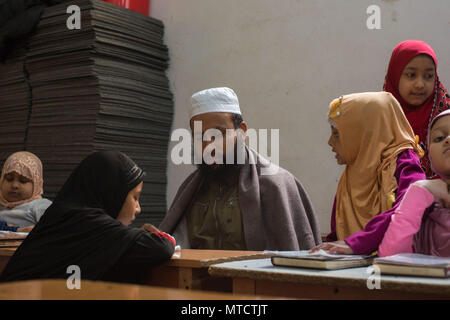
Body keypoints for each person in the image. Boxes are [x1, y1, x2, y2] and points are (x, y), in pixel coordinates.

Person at [160, 87, 321, 250]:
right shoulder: (191, 190)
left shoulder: (276, 183)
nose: (209, 146)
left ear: (242, 131)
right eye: (200, 136)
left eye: (219, 134)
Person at [0, 151, 175, 284]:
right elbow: (161, 248)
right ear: (112, 194)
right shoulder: (88, 223)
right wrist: (162, 237)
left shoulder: (65, 214)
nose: (138, 209)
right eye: (135, 198)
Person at [310, 92, 425, 255]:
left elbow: (409, 208)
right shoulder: (351, 174)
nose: (330, 142)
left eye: (337, 134)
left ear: (365, 132)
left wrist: (357, 243)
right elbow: (338, 236)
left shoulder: (404, 161)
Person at [379, 109, 450, 257]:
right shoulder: (429, 201)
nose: (447, 140)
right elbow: (391, 255)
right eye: (439, 138)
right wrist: (419, 191)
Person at [383, 40, 450, 178]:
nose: (420, 84)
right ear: (395, 76)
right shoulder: (381, 119)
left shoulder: (445, 115)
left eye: (429, 76)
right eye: (411, 75)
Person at [0, 151, 51, 233]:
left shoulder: (41, 206)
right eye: (9, 179)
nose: (14, 185)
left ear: (36, 184)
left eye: (23, 181)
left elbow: (53, 231)